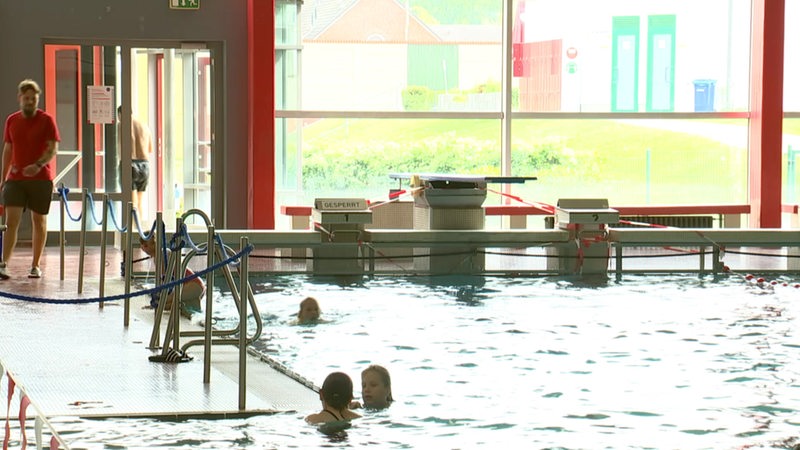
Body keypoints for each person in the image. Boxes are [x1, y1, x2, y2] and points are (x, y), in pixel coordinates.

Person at [0, 79, 60, 279]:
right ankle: (3, 263)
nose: (29, 102)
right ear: (20, 98)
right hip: (15, 179)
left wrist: (38, 165)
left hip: (41, 179)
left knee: (38, 220)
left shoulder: (47, 120)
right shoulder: (12, 120)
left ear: (37, 99)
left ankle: (35, 265)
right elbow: (8, 149)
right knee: (11, 221)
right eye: (26, 99)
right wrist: (3, 178)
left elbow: (52, 148)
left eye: (33, 99)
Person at [140, 236, 205, 318]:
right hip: (194, 285)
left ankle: (192, 316)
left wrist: (157, 302)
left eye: (152, 243)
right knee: (166, 304)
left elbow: (165, 280)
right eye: (144, 245)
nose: (146, 248)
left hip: (193, 285)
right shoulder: (160, 255)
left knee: (164, 303)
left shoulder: (164, 254)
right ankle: (193, 316)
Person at [117, 105, 153, 222]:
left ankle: (132, 229)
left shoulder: (122, 125)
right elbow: (150, 148)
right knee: (140, 201)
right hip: (144, 165)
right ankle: (140, 228)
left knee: (131, 202)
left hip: (130, 164)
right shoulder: (144, 126)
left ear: (120, 114)